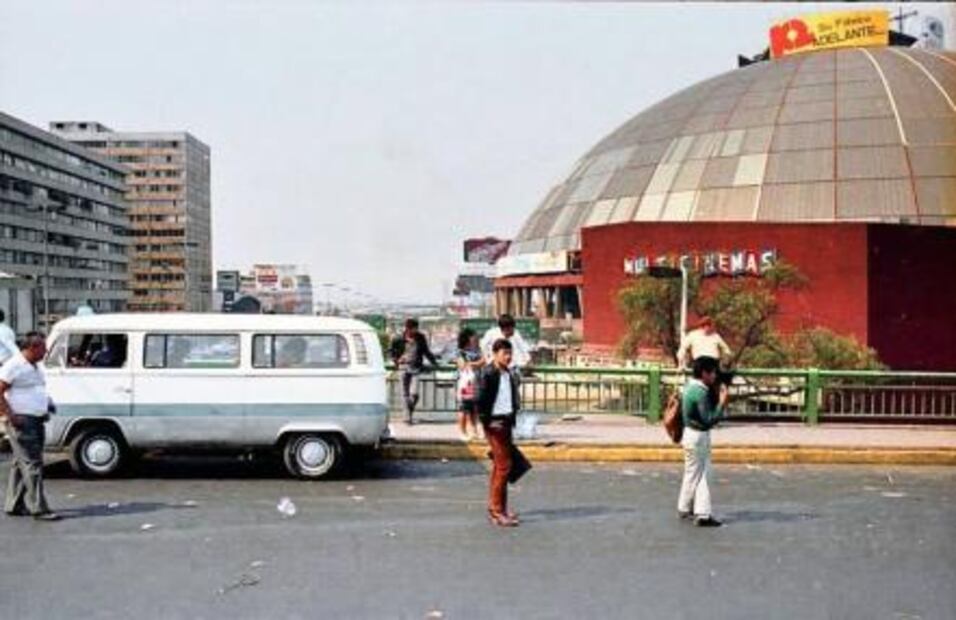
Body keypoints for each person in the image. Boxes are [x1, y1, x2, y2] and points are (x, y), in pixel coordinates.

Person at [0, 332, 60, 521]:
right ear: (32, 348)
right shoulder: (14, 365)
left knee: (22, 463)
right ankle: (39, 508)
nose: (46, 351)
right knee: (33, 464)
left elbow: (35, 388)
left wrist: (47, 403)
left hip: (36, 418)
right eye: (42, 347)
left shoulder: (34, 366)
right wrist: (10, 415)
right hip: (22, 420)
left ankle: (14, 504)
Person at [677, 356, 728, 528]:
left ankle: (684, 508)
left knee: (691, 472)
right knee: (704, 474)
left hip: (689, 434)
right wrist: (721, 403)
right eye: (713, 372)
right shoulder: (700, 393)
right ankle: (703, 514)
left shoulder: (689, 387)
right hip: (699, 436)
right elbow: (708, 419)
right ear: (704, 373)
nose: (714, 376)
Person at [476, 339, 521, 527]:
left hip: (506, 421)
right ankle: (496, 511)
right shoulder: (488, 373)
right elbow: (480, 401)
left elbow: (510, 397)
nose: (508, 357)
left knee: (500, 467)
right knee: (504, 467)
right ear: (495, 354)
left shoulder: (508, 373)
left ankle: (499, 508)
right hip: (495, 424)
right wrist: (486, 422)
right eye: (504, 353)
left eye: (510, 353)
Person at [389, 318, 438, 425]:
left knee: (414, 394)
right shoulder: (398, 338)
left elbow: (426, 351)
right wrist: (396, 360)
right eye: (413, 329)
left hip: (416, 367)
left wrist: (434, 362)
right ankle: (408, 418)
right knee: (405, 394)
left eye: (416, 329)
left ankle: (408, 410)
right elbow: (391, 352)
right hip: (403, 367)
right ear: (407, 329)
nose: (415, 331)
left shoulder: (420, 337)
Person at [455, 328, 485, 441]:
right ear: (467, 338)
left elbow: (484, 361)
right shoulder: (460, 351)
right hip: (466, 384)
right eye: (473, 336)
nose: (476, 338)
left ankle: (474, 431)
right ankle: (462, 432)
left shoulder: (478, 349)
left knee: (475, 408)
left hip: (477, 382)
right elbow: (462, 365)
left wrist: (472, 363)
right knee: (464, 408)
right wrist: (476, 363)